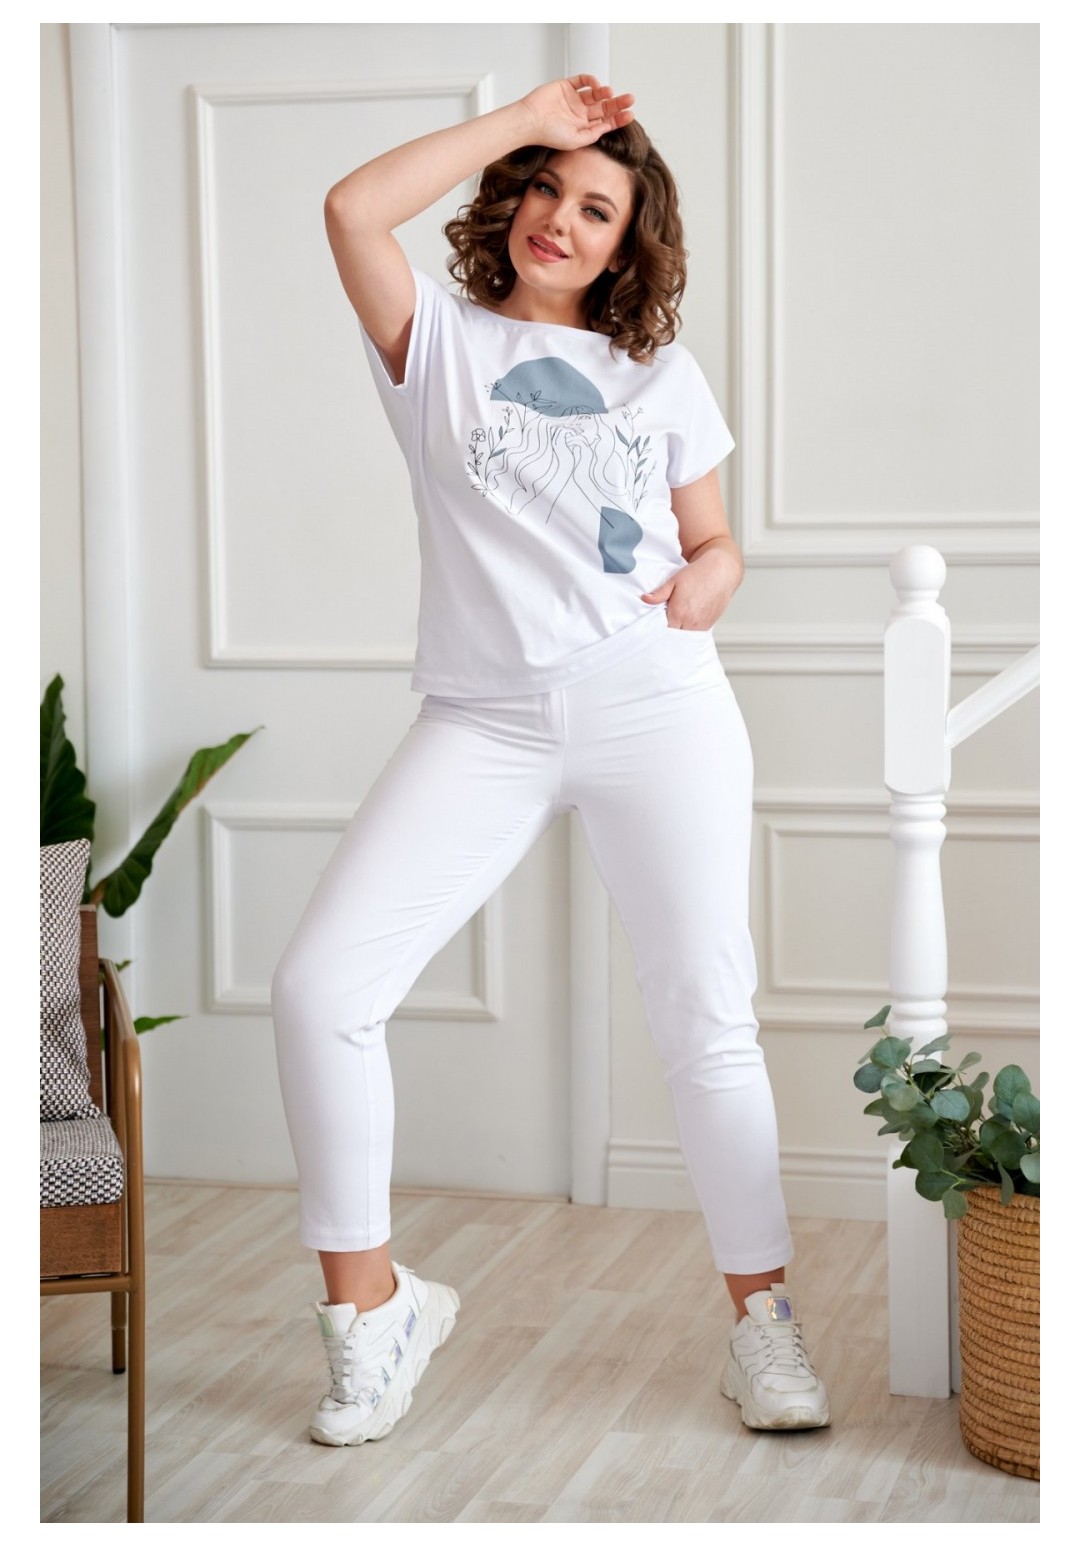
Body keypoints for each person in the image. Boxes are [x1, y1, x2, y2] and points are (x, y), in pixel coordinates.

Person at [271, 74, 829, 1448]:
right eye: (546, 188)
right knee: (320, 990)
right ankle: (374, 1316)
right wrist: (529, 116)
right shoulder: (436, 343)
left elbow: (716, 540)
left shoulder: (661, 377)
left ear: (629, 242)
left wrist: (715, 577)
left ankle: (764, 1326)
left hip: (657, 704)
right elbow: (350, 208)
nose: (560, 221)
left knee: (705, 1019)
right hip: (484, 719)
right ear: (513, 192)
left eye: (596, 209)